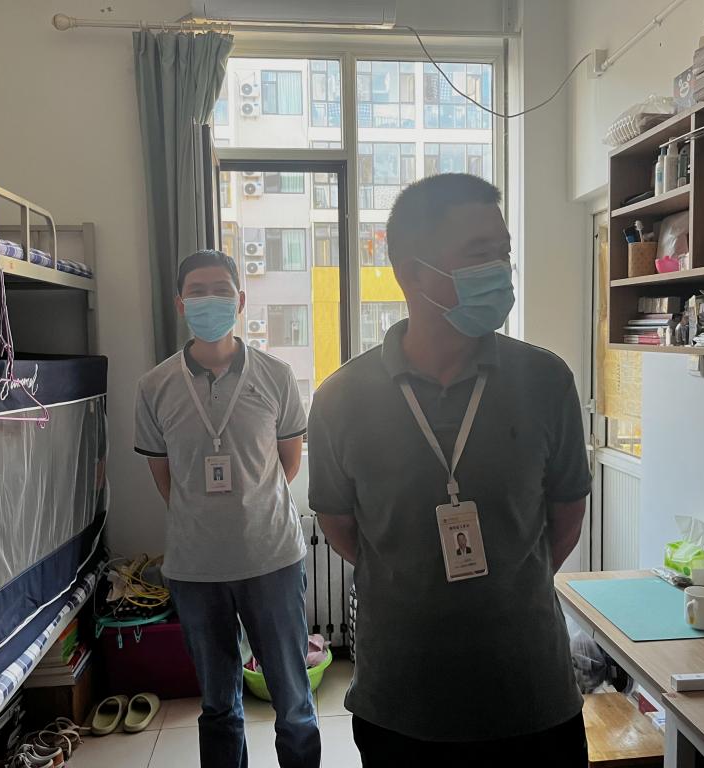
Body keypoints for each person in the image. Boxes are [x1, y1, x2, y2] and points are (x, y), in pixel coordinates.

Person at [307, 174, 592, 766]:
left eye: (504, 252)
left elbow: (566, 516)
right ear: (412, 273)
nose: (501, 270)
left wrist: (506, 583)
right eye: (479, 253)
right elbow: (340, 526)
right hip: (402, 700)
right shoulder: (341, 398)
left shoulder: (546, 381)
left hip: (530, 695)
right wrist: (415, 580)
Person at [134, 250, 319, 768]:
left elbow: (286, 465)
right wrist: (207, 518)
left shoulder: (277, 376)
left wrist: (247, 508)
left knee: (294, 703)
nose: (209, 299)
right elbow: (165, 478)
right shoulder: (154, 386)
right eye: (197, 290)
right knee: (218, 707)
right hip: (196, 569)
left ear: (239, 300)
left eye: (220, 290)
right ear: (180, 303)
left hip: (272, 560)